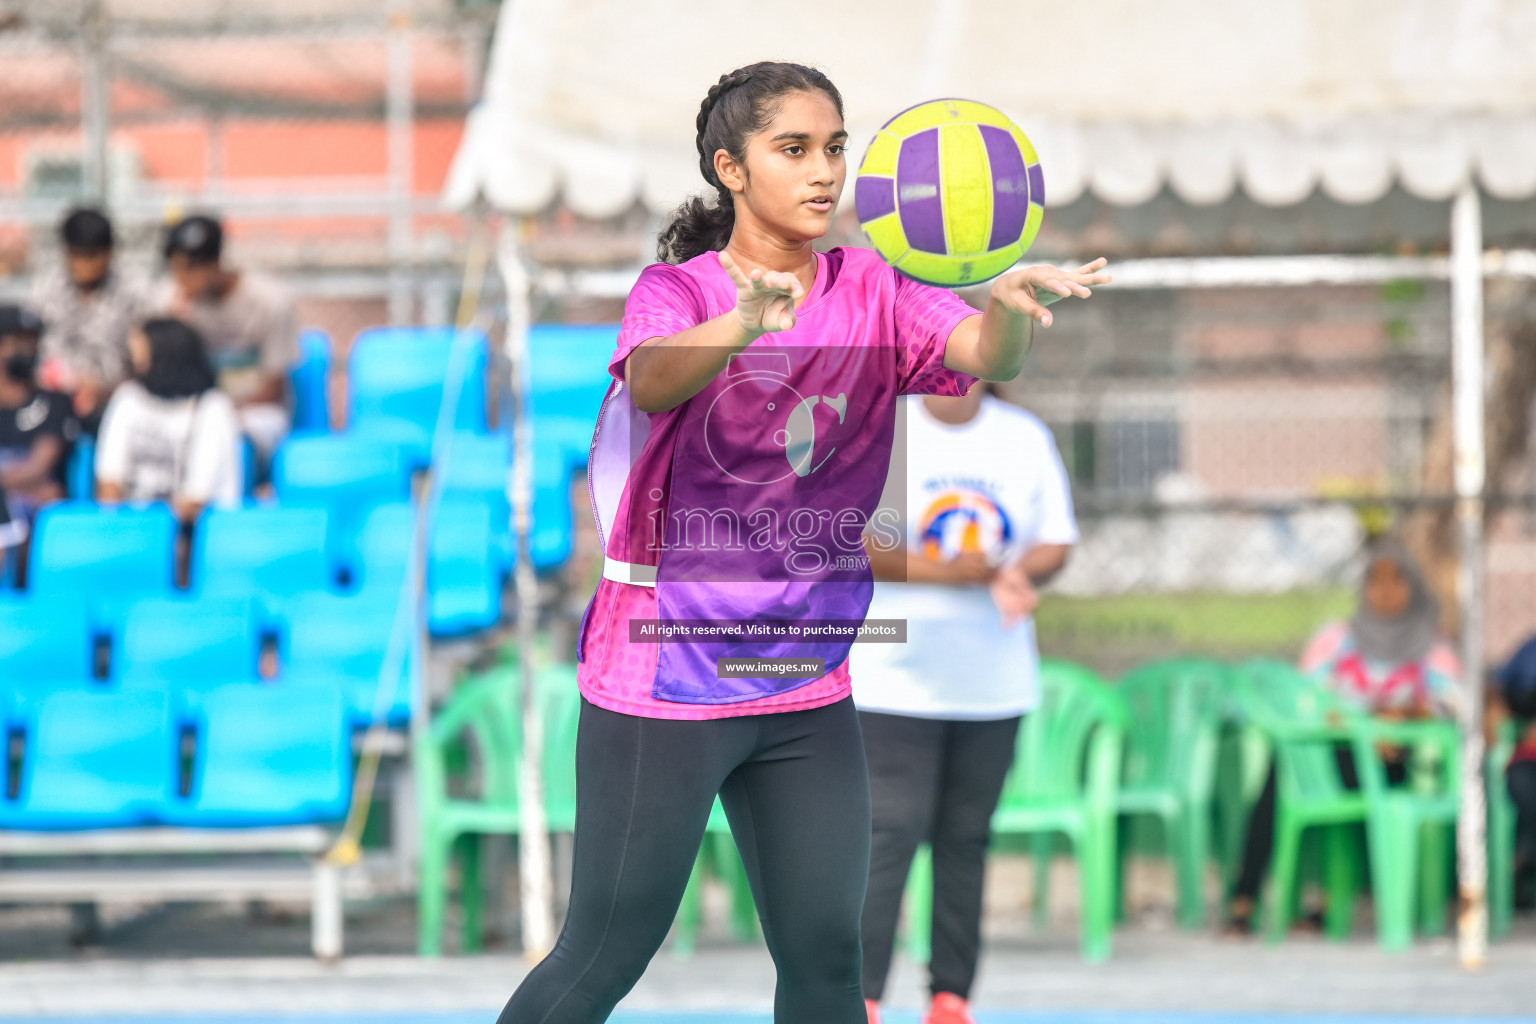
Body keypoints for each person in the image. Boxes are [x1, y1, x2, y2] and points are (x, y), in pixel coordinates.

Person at [496, 61, 1109, 1024]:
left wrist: (1006, 308)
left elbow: (983, 357)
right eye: (794, 150)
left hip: (805, 679)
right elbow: (652, 380)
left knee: (830, 960)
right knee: (606, 950)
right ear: (730, 169)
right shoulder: (678, 289)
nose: (824, 170)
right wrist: (742, 322)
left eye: (834, 148)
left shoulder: (873, 285)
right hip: (668, 669)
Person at [852, 381, 1077, 1024]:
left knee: (965, 840)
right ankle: (863, 997)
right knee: (887, 836)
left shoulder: (1023, 437)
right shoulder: (883, 428)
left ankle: (951, 997)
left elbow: (1055, 541)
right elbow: (859, 545)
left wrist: (1015, 568)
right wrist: (951, 570)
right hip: (890, 679)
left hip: (991, 685)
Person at [1223, 536, 1461, 934]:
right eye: (1375, 580)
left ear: (1413, 587)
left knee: (1372, 771)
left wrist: (1402, 715)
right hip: (1334, 750)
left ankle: (1328, 901)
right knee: (1283, 770)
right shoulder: (1336, 638)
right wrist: (1354, 723)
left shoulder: (1431, 645)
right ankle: (1246, 896)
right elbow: (1305, 698)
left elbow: (1452, 702)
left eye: (1396, 580)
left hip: (1396, 761)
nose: (1384, 591)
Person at [154, 213, 297, 461]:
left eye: (187, 269)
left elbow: (274, 387)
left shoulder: (270, 302)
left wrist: (219, 414)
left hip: (255, 412)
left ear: (213, 264)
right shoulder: (172, 302)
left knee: (226, 436)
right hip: (193, 411)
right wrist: (176, 331)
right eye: (174, 269)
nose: (179, 278)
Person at [95, 317, 242, 524]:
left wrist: (157, 535)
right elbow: (109, 479)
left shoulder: (212, 407)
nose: (133, 363)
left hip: (191, 532)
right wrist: (116, 528)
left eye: (140, 357)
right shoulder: (128, 398)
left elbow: (196, 498)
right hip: (132, 528)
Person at [28, 206, 148, 432]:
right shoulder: (45, 290)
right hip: (51, 407)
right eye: (78, 254)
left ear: (110, 252)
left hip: (115, 406)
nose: (86, 264)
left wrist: (105, 388)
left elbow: (146, 361)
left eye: (93, 255)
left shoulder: (135, 293)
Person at [0, 305, 74, 584]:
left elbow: (38, 469)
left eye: (32, 340)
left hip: (33, 518)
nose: (27, 348)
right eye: (16, 340)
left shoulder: (55, 402)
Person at [1490, 635, 1536, 908]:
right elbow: (1497, 686)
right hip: (1527, 757)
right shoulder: (1530, 648)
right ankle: (1522, 863)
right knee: (1520, 782)